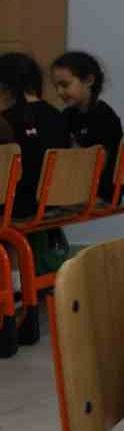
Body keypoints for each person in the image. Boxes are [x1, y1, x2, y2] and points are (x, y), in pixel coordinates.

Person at [0, 52, 71, 275]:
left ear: (4, 86)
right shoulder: (58, 116)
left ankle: (14, 281)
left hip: (20, 205)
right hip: (54, 202)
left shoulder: (5, 121)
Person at [52, 50, 124, 204]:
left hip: (101, 193)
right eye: (56, 86)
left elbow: (98, 165)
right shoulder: (67, 114)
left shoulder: (105, 116)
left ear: (89, 80)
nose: (59, 92)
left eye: (65, 85)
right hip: (78, 188)